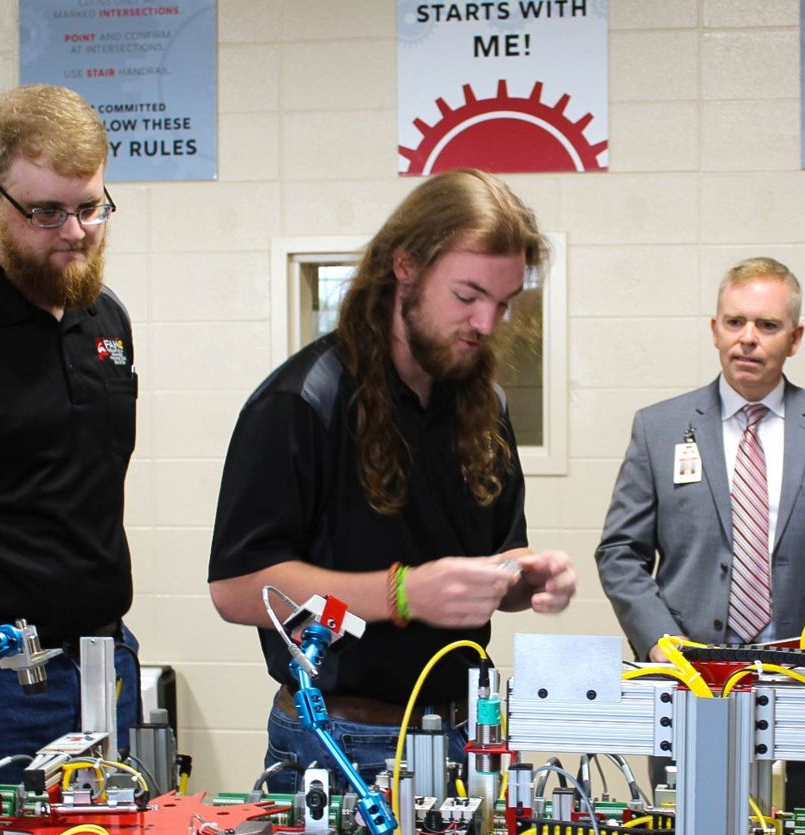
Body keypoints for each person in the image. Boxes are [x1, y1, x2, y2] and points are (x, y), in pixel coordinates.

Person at [208, 168, 577, 794]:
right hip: (342, 743)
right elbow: (240, 589)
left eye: (504, 303)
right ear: (405, 266)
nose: (487, 324)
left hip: (466, 736)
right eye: (467, 296)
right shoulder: (303, 402)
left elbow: (497, 554)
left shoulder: (483, 403)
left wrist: (522, 576)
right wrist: (402, 594)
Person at [0, 84, 140, 776]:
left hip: (104, 659)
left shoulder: (105, 318)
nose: (75, 232)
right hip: (2, 677)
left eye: (90, 208)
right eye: (46, 211)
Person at [597, 257, 805, 661]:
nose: (748, 338)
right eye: (735, 322)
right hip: (688, 666)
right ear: (714, 331)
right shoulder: (659, 428)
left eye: (768, 325)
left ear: (795, 338)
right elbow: (619, 551)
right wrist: (659, 638)